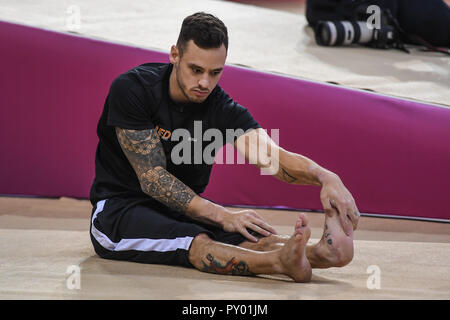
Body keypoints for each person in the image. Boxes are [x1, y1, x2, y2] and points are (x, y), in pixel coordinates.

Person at [89, 12, 360, 283]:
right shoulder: (133, 89)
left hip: (181, 210)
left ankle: (322, 253)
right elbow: (154, 181)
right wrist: (222, 215)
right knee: (198, 244)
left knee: (253, 237)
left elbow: (270, 157)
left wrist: (325, 177)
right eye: (196, 70)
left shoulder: (222, 109)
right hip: (120, 211)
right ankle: (279, 263)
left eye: (215, 72)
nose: (205, 83)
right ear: (175, 55)